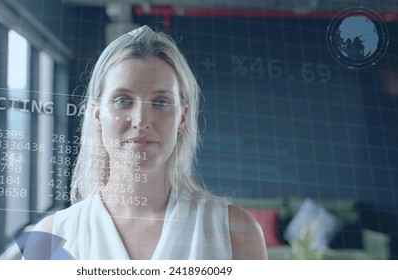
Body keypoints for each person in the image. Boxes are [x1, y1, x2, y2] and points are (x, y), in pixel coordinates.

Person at [30, 25, 267, 260]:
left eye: (161, 102)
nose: (141, 121)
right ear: (97, 114)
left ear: (182, 118)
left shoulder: (236, 233)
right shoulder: (49, 239)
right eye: (123, 100)